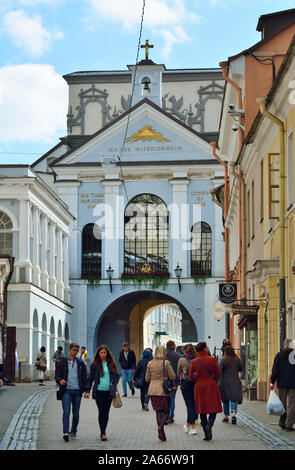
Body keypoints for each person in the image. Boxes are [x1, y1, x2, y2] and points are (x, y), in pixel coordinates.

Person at [84, 345, 120, 441]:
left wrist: (113, 383)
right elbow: (90, 378)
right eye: (101, 352)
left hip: (109, 392)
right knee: (101, 411)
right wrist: (87, 390)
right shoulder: (95, 364)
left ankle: (104, 430)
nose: (103, 354)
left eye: (104, 352)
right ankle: (102, 432)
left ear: (107, 353)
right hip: (99, 391)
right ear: (98, 354)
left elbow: (117, 375)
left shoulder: (111, 364)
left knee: (106, 412)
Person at [189, 342, 222, 441]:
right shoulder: (212, 359)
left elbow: (191, 377)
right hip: (211, 385)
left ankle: (206, 432)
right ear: (204, 349)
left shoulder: (194, 362)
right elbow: (218, 374)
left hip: (199, 386)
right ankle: (210, 424)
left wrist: (197, 377)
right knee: (213, 408)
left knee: (202, 410)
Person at [55, 342, 88, 442]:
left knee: (76, 413)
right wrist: (60, 380)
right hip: (66, 391)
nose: (75, 352)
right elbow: (57, 375)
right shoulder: (63, 362)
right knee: (66, 412)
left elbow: (84, 377)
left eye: (77, 351)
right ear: (69, 350)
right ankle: (65, 432)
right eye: (73, 350)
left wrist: (86, 389)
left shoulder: (80, 362)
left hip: (77, 391)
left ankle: (73, 430)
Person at [145, 344, 176, 442]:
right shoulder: (166, 363)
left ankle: (161, 431)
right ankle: (160, 427)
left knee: (158, 411)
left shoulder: (150, 363)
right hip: (163, 390)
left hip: (152, 391)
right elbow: (172, 376)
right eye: (165, 351)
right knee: (166, 411)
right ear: (162, 352)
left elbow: (147, 378)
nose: (166, 352)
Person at [270, 338, 295, 431]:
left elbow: (275, 370)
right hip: (293, 383)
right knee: (292, 404)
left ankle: (282, 422)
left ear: (284, 345)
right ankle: (289, 424)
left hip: (282, 383)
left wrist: (272, 381)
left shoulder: (279, 356)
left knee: (282, 403)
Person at [218, 345, 243, 424]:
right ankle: (234, 415)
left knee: (225, 400)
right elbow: (241, 368)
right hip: (235, 381)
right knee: (234, 399)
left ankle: (226, 417)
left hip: (224, 382)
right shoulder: (237, 360)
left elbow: (219, 371)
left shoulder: (223, 360)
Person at [177, 343, 198, 434]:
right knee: (193, 404)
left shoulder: (182, 360)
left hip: (185, 384)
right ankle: (187, 424)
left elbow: (178, 373)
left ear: (185, 351)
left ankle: (193, 427)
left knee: (189, 405)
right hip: (195, 384)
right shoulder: (197, 359)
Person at [165, 340, 181, 423]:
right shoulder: (178, 356)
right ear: (173, 346)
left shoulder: (163, 355)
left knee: (165, 399)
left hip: (164, 381)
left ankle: (165, 415)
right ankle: (170, 416)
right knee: (172, 399)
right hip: (174, 381)